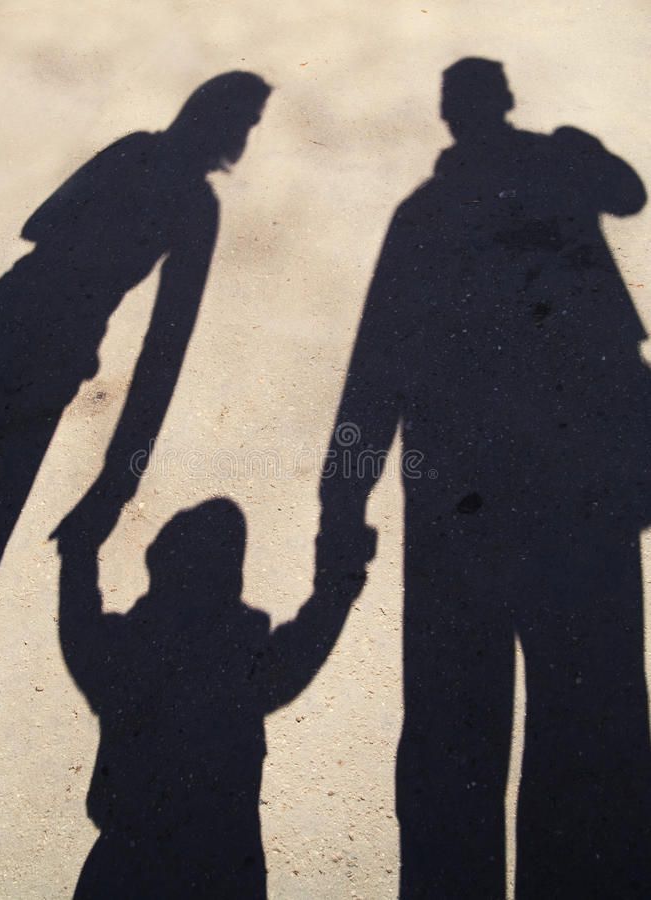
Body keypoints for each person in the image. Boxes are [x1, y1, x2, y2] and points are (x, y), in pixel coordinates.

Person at [317, 58, 651, 897]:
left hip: (466, 491)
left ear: (452, 118)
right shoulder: (558, 178)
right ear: (500, 105)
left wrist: (343, 499)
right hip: (581, 485)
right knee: (591, 717)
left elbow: (375, 370)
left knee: (454, 725)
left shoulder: (428, 214)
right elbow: (629, 194)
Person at [0, 71, 270, 755]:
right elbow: (165, 347)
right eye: (246, 119)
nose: (246, 135)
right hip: (46, 360)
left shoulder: (138, 153)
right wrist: (120, 477)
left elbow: (39, 223)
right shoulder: (195, 207)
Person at [57, 498, 372, 898]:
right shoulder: (248, 676)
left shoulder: (120, 663)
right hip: (224, 867)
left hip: (120, 867)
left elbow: (79, 628)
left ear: (155, 565)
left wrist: (76, 551)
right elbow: (304, 647)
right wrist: (338, 586)